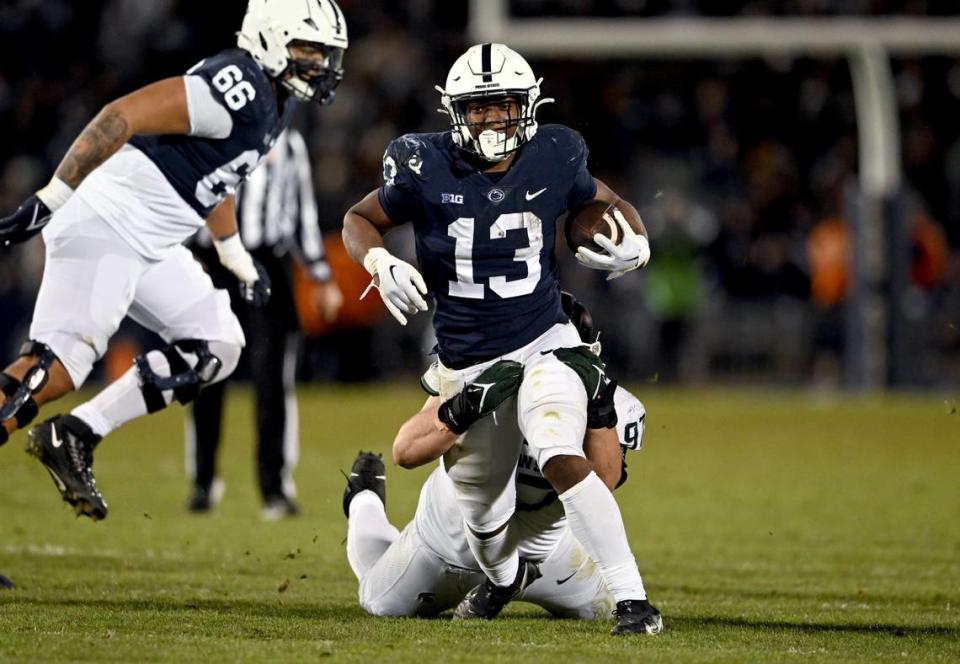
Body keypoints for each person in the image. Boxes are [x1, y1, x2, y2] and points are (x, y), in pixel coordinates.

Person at [342, 43, 658, 635]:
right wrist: (379, 263)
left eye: (504, 106)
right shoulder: (421, 163)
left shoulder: (557, 152)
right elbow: (359, 220)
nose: (491, 120)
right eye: (479, 108)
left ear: (528, 106)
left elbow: (604, 203)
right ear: (456, 111)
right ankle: (366, 505)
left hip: (543, 340)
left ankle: (631, 599)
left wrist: (634, 237)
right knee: (383, 595)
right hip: (467, 362)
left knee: (553, 446)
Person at [0, 0, 349, 521]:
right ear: (272, 40)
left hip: (153, 243)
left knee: (219, 342)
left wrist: (236, 258)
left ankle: (76, 432)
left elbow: (218, 177)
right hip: (109, 223)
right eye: (308, 49)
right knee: (50, 369)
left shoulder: (276, 101)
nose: (320, 63)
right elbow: (122, 114)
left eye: (325, 52)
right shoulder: (241, 81)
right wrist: (53, 196)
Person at [343, 294, 650, 621]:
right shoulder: (479, 367)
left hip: (546, 558)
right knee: (380, 601)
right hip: (452, 546)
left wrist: (600, 412)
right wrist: (463, 408)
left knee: (602, 610)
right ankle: (365, 501)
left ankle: (509, 581)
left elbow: (604, 484)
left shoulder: (604, 397)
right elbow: (406, 450)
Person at [184, 126, 342, 520]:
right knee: (206, 373)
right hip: (214, 262)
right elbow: (187, 196)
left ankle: (275, 488)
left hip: (268, 263)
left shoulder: (288, 139)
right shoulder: (210, 127)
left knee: (274, 379)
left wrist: (320, 275)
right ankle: (203, 482)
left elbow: (302, 210)